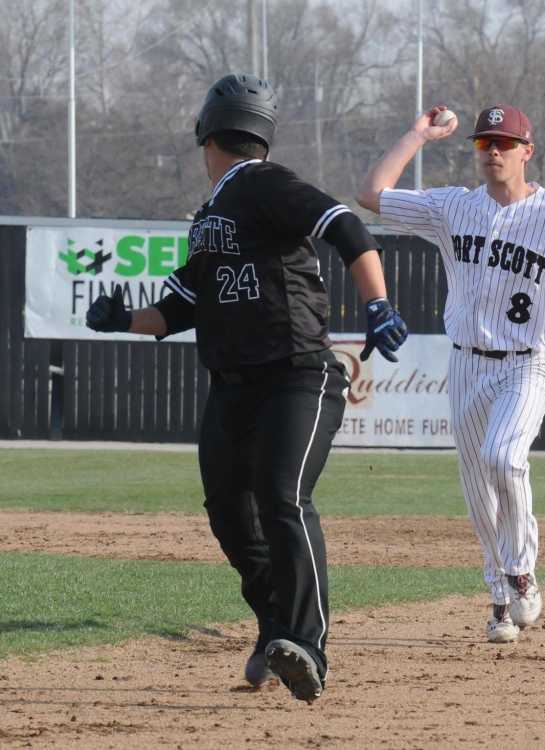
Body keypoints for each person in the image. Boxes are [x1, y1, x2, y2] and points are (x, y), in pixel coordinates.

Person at [86, 73, 407, 701]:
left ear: (207, 134)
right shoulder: (211, 216)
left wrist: (378, 303)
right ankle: (275, 627)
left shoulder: (262, 183)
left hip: (297, 376)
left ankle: (309, 644)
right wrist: (123, 320)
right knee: (230, 512)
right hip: (235, 388)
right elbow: (181, 306)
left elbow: (347, 226)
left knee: (283, 497)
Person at [357, 103, 545, 643]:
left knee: (503, 457)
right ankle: (498, 595)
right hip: (467, 362)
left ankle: (522, 571)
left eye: (504, 143)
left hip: (529, 362)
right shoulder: (452, 207)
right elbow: (371, 194)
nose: (492, 151)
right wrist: (417, 134)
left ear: (526, 152)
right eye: (483, 143)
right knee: (477, 490)